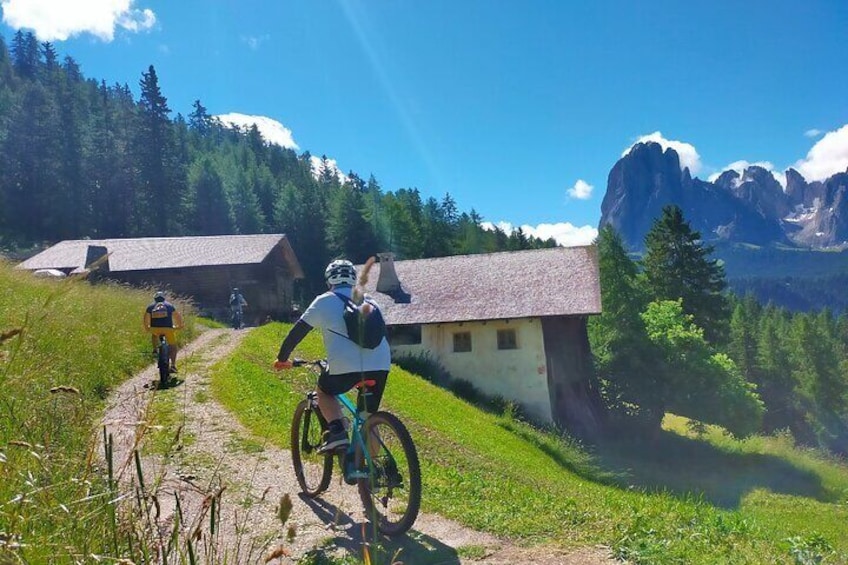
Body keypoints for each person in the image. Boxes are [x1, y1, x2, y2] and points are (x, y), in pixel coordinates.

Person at [273, 259, 390, 452]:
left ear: (329, 281)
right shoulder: (370, 300)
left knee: (325, 391)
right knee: (368, 418)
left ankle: (337, 432)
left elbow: (297, 333)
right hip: (380, 364)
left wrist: (282, 358)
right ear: (353, 280)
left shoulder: (325, 300)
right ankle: (374, 474)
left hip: (345, 366)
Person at [143, 291, 183, 372]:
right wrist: (179, 326)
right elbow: (177, 317)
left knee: (154, 335)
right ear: (164, 298)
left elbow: (145, 319)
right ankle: (173, 365)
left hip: (155, 329)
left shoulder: (150, 306)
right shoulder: (169, 305)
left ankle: (154, 350)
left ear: (155, 299)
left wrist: (147, 328)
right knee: (172, 346)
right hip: (168, 329)